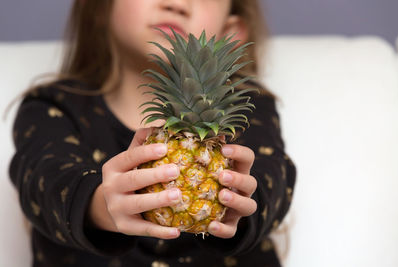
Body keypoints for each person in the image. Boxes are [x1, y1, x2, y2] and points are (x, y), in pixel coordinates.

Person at [8, 0, 296, 266]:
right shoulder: (52, 108)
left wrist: (243, 205)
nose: (176, 4)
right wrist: (98, 204)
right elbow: (42, 177)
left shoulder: (248, 111)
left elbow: (276, 177)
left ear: (231, 33)